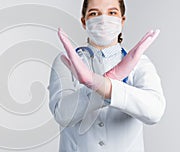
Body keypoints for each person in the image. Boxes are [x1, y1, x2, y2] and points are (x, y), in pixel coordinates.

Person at [48, 0, 166, 151]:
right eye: (94, 13)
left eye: (112, 13)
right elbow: (63, 114)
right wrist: (107, 83)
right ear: (84, 21)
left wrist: (104, 85)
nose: (103, 20)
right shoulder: (67, 61)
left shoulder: (140, 63)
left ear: (122, 20)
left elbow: (154, 112)